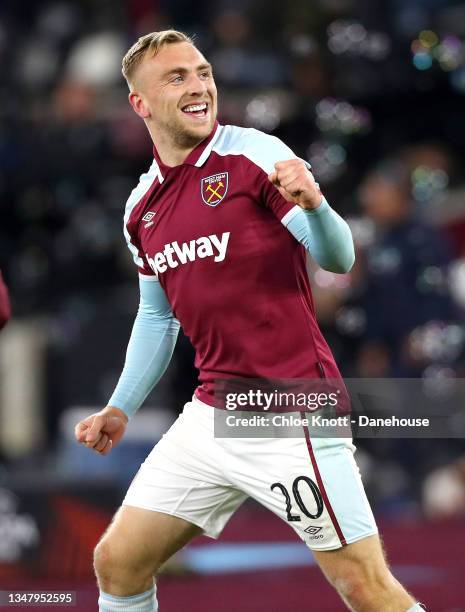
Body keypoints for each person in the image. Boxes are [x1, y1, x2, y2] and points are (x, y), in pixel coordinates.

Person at [74, 30, 425, 612]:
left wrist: (317, 205)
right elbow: (157, 316)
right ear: (140, 103)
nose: (198, 85)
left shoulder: (254, 154)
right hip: (214, 412)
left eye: (203, 72)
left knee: (366, 588)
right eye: (177, 76)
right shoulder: (141, 206)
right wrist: (121, 406)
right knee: (118, 562)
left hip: (292, 410)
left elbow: (338, 258)